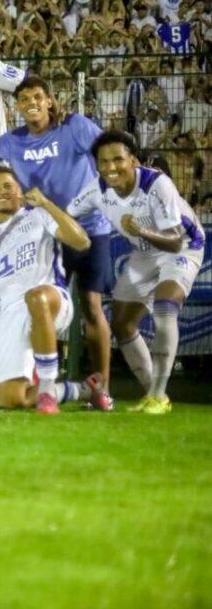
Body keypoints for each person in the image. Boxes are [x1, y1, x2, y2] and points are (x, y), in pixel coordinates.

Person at [0, 76, 114, 396]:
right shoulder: (10, 142)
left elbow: (109, 153)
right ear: (17, 106)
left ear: (50, 101)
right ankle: (39, 382)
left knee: (92, 306)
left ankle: (103, 387)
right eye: (24, 98)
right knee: (37, 306)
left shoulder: (75, 126)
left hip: (90, 229)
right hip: (45, 235)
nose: (31, 102)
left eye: (38, 96)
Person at [0, 168, 112, 414]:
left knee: (35, 296)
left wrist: (47, 204)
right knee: (11, 399)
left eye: (8, 186)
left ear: (20, 191)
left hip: (51, 300)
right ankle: (86, 389)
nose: (1, 192)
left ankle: (47, 387)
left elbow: (82, 241)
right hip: (11, 315)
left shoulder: (37, 215)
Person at [67, 131, 205, 414]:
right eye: (103, 162)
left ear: (133, 160)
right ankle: (152, 394)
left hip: (182, 248)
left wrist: (141, 229)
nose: (111, 167)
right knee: (122, 324)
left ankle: (158, 395)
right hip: (143, 254)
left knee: (166, 306)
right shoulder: (97, 190)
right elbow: (67, 214)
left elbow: (175, 240)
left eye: (118, 159)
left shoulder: (157, 185)